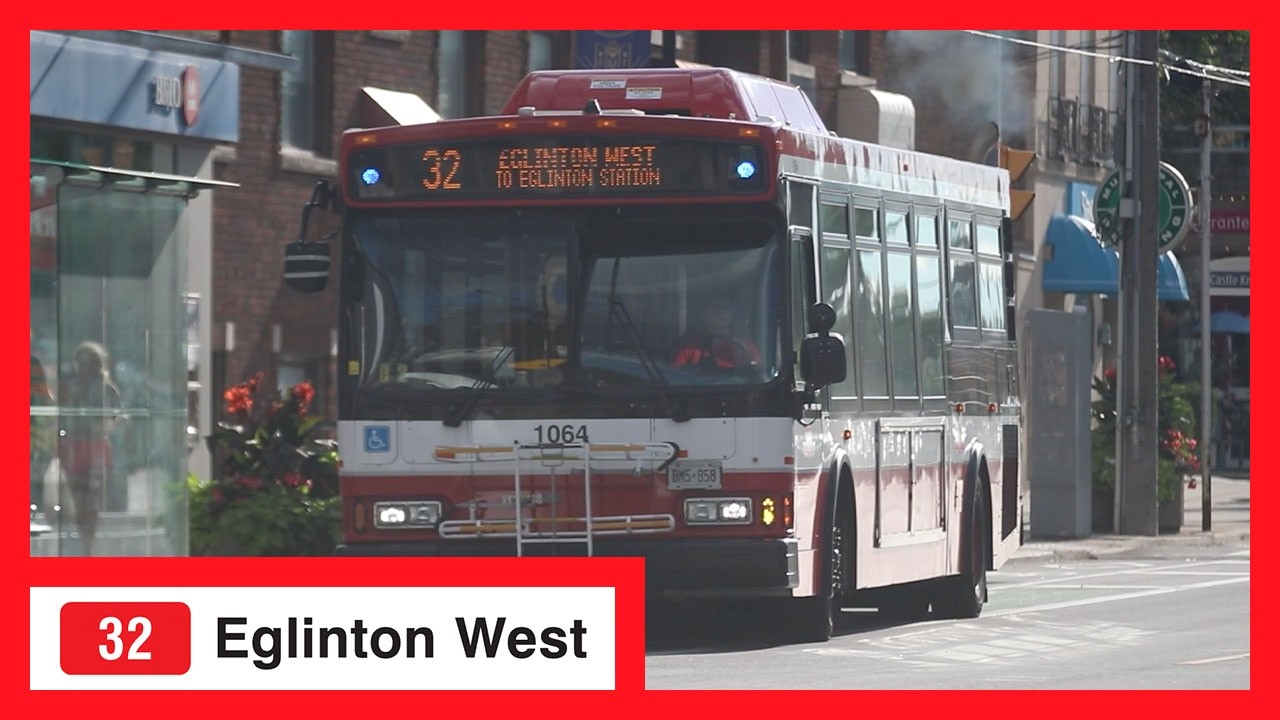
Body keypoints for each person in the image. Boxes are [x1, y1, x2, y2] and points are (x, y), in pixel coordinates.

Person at [58, 341, 121, 556]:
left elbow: (116, 417)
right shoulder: (70, 386)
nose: (84, 368)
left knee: (92, 494)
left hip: (96, 445)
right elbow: (62, 416)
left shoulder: (106, 387)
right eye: (80, 363)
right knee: (77, 495)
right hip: (74, 445)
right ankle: (82, 537)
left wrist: (101, 425)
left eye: (88, 363)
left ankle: (89, 544)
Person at [671, 298, 761, 369]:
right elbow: (676, 376)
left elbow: (755, 373)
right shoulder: (689, 346)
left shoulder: (745, 346)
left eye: (727, 308)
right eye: (718, 307)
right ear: (705, 314)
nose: (724, 312)